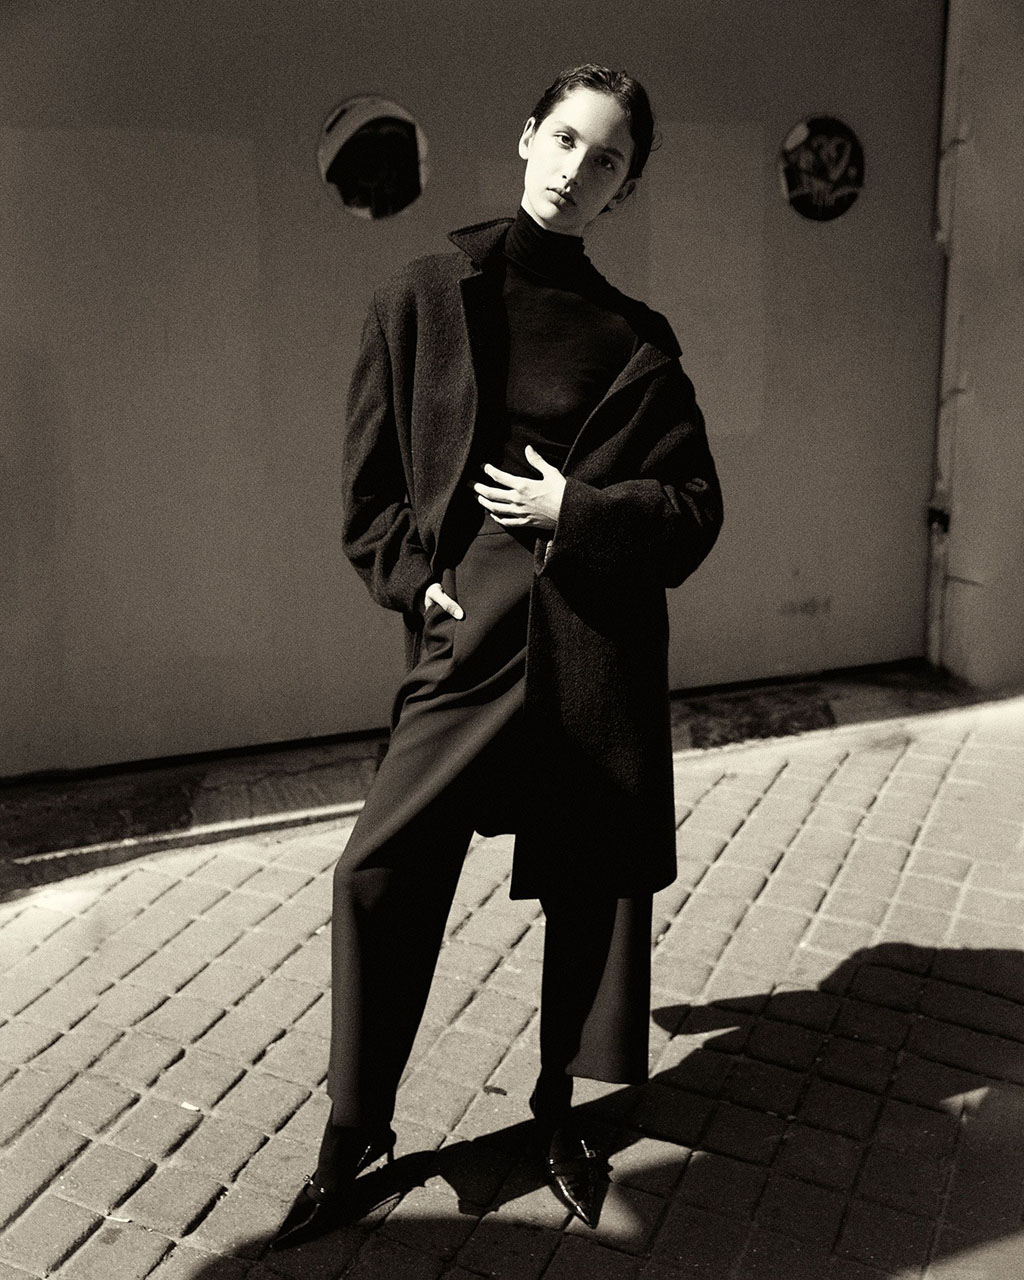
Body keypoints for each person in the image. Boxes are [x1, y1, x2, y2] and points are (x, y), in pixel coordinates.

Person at [273, 62, 723, 1246]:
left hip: (594, 645)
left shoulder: (637, 339)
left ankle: (558, 1110)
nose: (579, 169)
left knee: (586, 887)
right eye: (566, 139)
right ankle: (353, 1129)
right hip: (467, 634)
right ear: (527, 137)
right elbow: (369, 488)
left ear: (625, 188)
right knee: (377, 865)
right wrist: (409, 580)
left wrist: (580, 509)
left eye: (607, 158)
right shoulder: (424, 294)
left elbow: (693, 511)